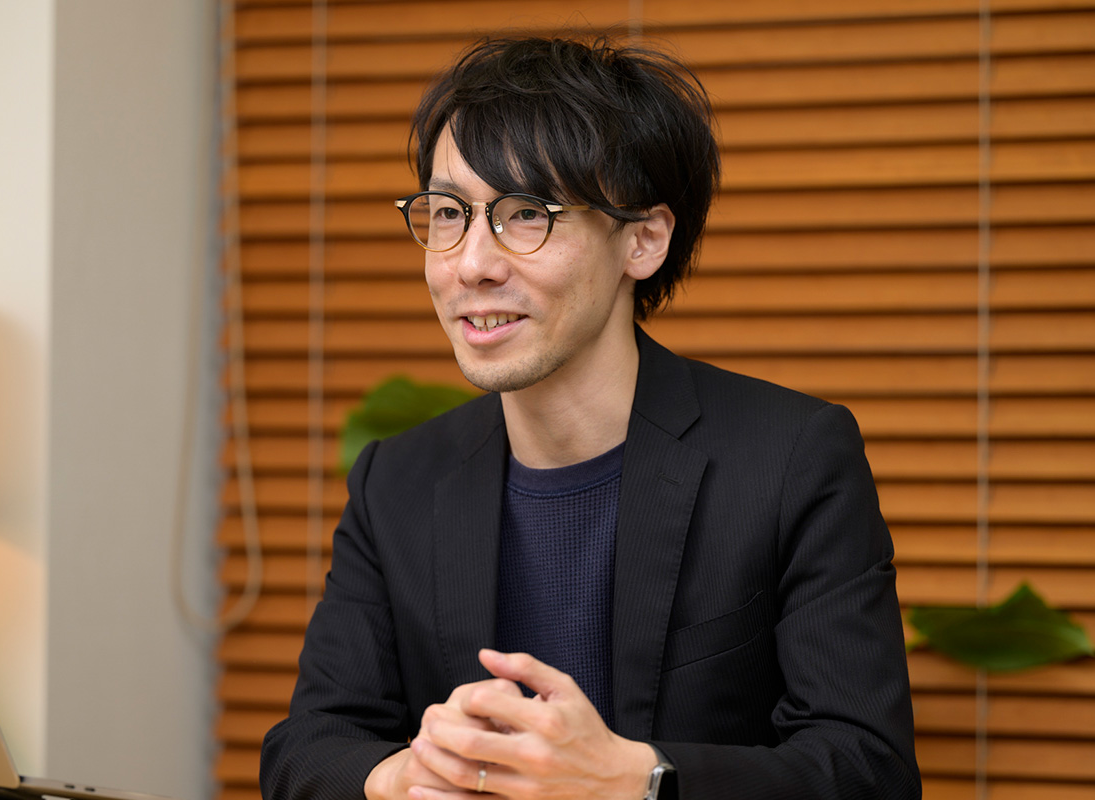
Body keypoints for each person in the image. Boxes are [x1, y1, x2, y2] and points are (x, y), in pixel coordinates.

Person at [260, 35, 920, 800]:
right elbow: (307, 749)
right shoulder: (397, 481)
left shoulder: (790, 459)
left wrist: (638, 780)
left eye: (526, 214)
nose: (471, 264)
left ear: (642, 240)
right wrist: (404, 775)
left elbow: (869, 770)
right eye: (448, 213)